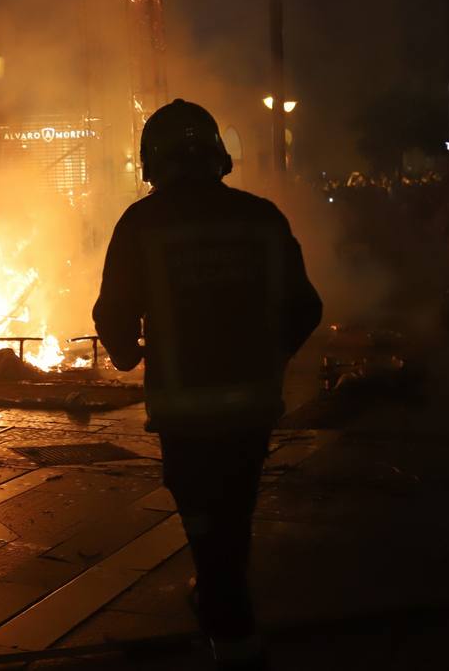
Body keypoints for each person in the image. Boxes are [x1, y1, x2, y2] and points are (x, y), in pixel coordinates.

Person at [93, 99, 322, 671]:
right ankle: (221, 599)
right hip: (252, 406)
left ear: (153, 163)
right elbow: (307, 307)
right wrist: (271, 356)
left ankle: (234, 633)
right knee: (236, 507)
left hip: (185, 410)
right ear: (219, 158)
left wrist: (126, 355)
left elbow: (113, 314)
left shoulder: (141, 223)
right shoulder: (262, 217)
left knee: (202, 513)